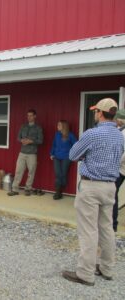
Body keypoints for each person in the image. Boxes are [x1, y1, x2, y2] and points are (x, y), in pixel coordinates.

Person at [62, 98, 123, 286]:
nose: (94, 114)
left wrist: (86, 155)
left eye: (96, 111)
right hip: (110, 185)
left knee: (88, 230)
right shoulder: (119, 135)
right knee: (107, 228)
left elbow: (73, 155)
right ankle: (107, 269)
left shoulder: (92, 134)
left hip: (91, 186)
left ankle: (85, 274)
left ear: (100, 113)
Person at [8, 109, 43, 196]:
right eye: (28, 115)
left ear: (35, 116)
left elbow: (41, 141)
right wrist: (22, 140)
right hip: (22, 153)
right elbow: (18, 138)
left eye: (31, 115)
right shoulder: (23, 126)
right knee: (18, 171)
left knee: (31, 172)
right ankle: (15, 189)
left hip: (32, 153)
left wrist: (31, 141)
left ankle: (28, 189)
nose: (29, 117)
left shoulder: (38, 128)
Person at [50, 120, 77, 200]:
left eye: (59, 125)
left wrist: (72, 155)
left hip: (66, 157)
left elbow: (76, 145)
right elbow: (54, 144)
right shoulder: (57, 134)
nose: (57, 126)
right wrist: (52, 153)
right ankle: (58, 192)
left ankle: (62, 188)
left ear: (64, 126)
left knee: (63, 174)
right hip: (56, 157)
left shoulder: (70, 135)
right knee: (58, 174)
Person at [113, 109, 125, 232]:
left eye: (117, 119)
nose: (115, 121)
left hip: (121, 169)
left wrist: (115, 162)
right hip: (121, 168)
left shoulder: (123, 133)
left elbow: (123, 153)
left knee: (113, 195)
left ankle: (113, 224)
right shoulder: (119, 131)